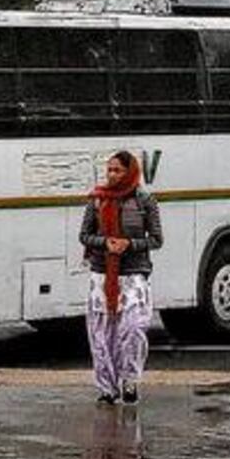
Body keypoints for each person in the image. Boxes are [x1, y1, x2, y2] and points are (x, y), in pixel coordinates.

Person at [79, 150, 163, 405]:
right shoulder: (97, 200)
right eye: (110, 170)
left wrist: (129, 244)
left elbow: (156, 240)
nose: (112, 175)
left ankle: (129, 380)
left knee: (132, 328)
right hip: (102, 274)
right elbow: (84, 236)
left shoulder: (144, 200)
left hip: (134, 274)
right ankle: (107, 388)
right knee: (102, 334)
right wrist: (106, 243)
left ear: (130, 172)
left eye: (118, 170)